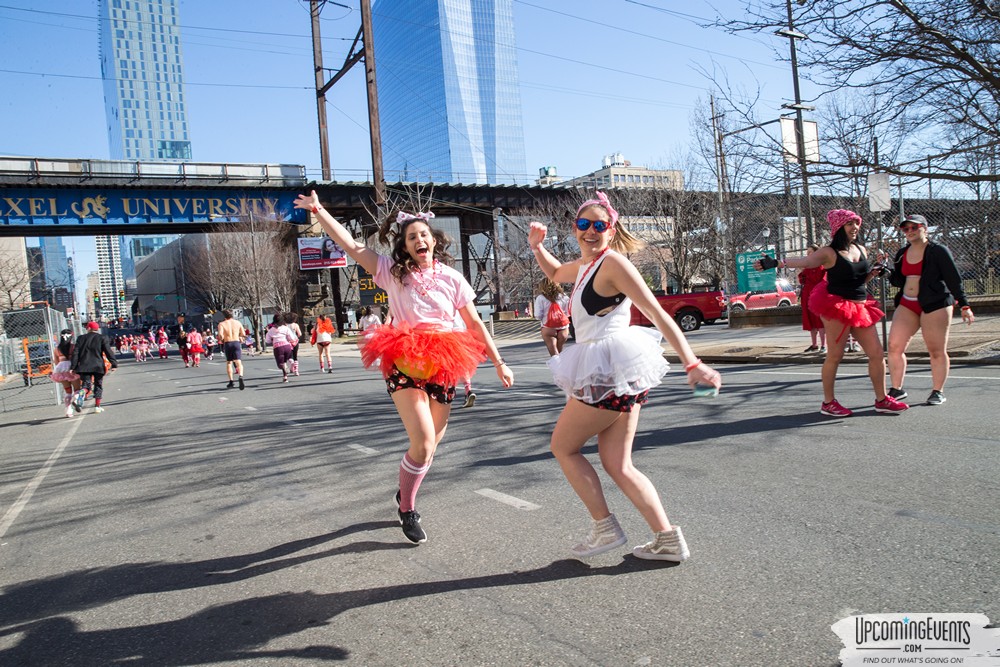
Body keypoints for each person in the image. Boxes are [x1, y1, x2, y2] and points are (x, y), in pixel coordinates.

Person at [294, 190, 513, 545]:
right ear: (405, 246)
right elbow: (350, 244)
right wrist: (318, 210)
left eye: (423, 234)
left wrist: (499, 362)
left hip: (444, 361)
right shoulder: (391, 272)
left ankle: (404, 490)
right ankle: (408, 509)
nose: (419, 240)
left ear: (434, 239)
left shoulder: (453, 278)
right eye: (411, 237)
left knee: (430, 447)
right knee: (423, 442)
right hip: (405, 359)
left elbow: (475, 324)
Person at [528, 191, 721, 562]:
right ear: (574, 228)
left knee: (563, 447)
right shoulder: (585, 266)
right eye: (584, 224)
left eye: (599, 225)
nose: (590, 231)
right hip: (612, 374)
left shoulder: (613, 264)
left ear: (611, 231)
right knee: (618, 464)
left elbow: (657, 313)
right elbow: (554, 273)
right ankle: (667, 539)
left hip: (607, 372)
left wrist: (692, 363)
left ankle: (604, 528)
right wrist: (537, 247)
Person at [756, 209, 908, 417]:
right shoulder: (829, 252)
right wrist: (776, 263)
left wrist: (873, 273)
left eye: (856, 223)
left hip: (860, 307)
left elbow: (859, 280)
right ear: (839, 227)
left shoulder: (861, 249)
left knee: (876, 353)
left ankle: (881, 400)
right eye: (849, 224)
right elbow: (806, 262)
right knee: (835, 356)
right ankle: (828, 403)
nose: (855, 227)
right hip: (836, 307)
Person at [886, 214, 975, 406]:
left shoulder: (938, 251)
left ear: (924, 228)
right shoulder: (901, 253)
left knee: (936, 350)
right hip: (907, 303)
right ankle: (896, 389)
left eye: (914, 227)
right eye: (906, 228)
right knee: (894, 346)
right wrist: (887, 271)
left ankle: (937, 391)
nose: (909, 231)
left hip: (935, 303)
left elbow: (953, 279)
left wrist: (965, 305)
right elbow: (898, 281)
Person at [71, 321, 118, 414]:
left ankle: (80, 396)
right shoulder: (102, 338)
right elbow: (108, 351)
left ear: (89, 328)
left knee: (86, 385)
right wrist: (114, 363)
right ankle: (97, 406)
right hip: (98, 365)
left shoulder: (80, 338)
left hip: (84, 366)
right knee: (98, 385)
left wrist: (74, 367)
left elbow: (75, 353)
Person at [796, 244, 827, 353]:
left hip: (817, 295)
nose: (808, 254)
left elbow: (821, 280)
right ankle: (814, 344)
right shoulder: (807, 267)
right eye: (807, 252)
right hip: (807, 295)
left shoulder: (821, 266)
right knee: (810, 320)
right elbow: (802, 281)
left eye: (811, 252)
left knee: (819, 320)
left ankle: (823, 345)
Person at [534, 278, 572, 357]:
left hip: (548, 327)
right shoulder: (564, 297)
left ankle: (557, 364)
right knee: (560, 352)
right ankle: (561, 363)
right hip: (563, 328)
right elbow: (568, 313)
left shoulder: (541, 298)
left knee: (554, 354)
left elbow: (538, 315)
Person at [50, 329, 82, 418]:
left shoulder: (57, 349)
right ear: (71, 337)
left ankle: (68, 410)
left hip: (61, 370)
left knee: (68, 391)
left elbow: (56, 362)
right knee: (77, 389)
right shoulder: (74, 347)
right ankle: (75, 399)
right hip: (72, 369)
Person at [264, 313, 298, 383]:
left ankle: (285, 372)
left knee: (280, 364)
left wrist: (272, 339)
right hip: (287, 346)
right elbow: (292, 338)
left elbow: (267, 341)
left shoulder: (271, 330)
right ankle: (289, 367)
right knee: (287, 359)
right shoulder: (286, 328)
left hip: (278, 348)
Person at [217, 309, 246, 390]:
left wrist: (221, 339)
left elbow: (220, 335)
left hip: (228, 343)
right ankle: (240, 376)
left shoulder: (221, 324)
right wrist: (240, 337)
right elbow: (243, 334)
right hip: (236, 342)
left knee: (229, 362)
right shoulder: (238, 322)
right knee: (238, 361)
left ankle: (231, 381)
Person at [285, 312, 303, 376]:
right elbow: (300, 334)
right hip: (295, 341)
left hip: (287, 342)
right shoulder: (295, 325)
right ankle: (296, 371)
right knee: (295, 356)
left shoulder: (285, 325)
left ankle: (291, 363)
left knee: (289, 356)